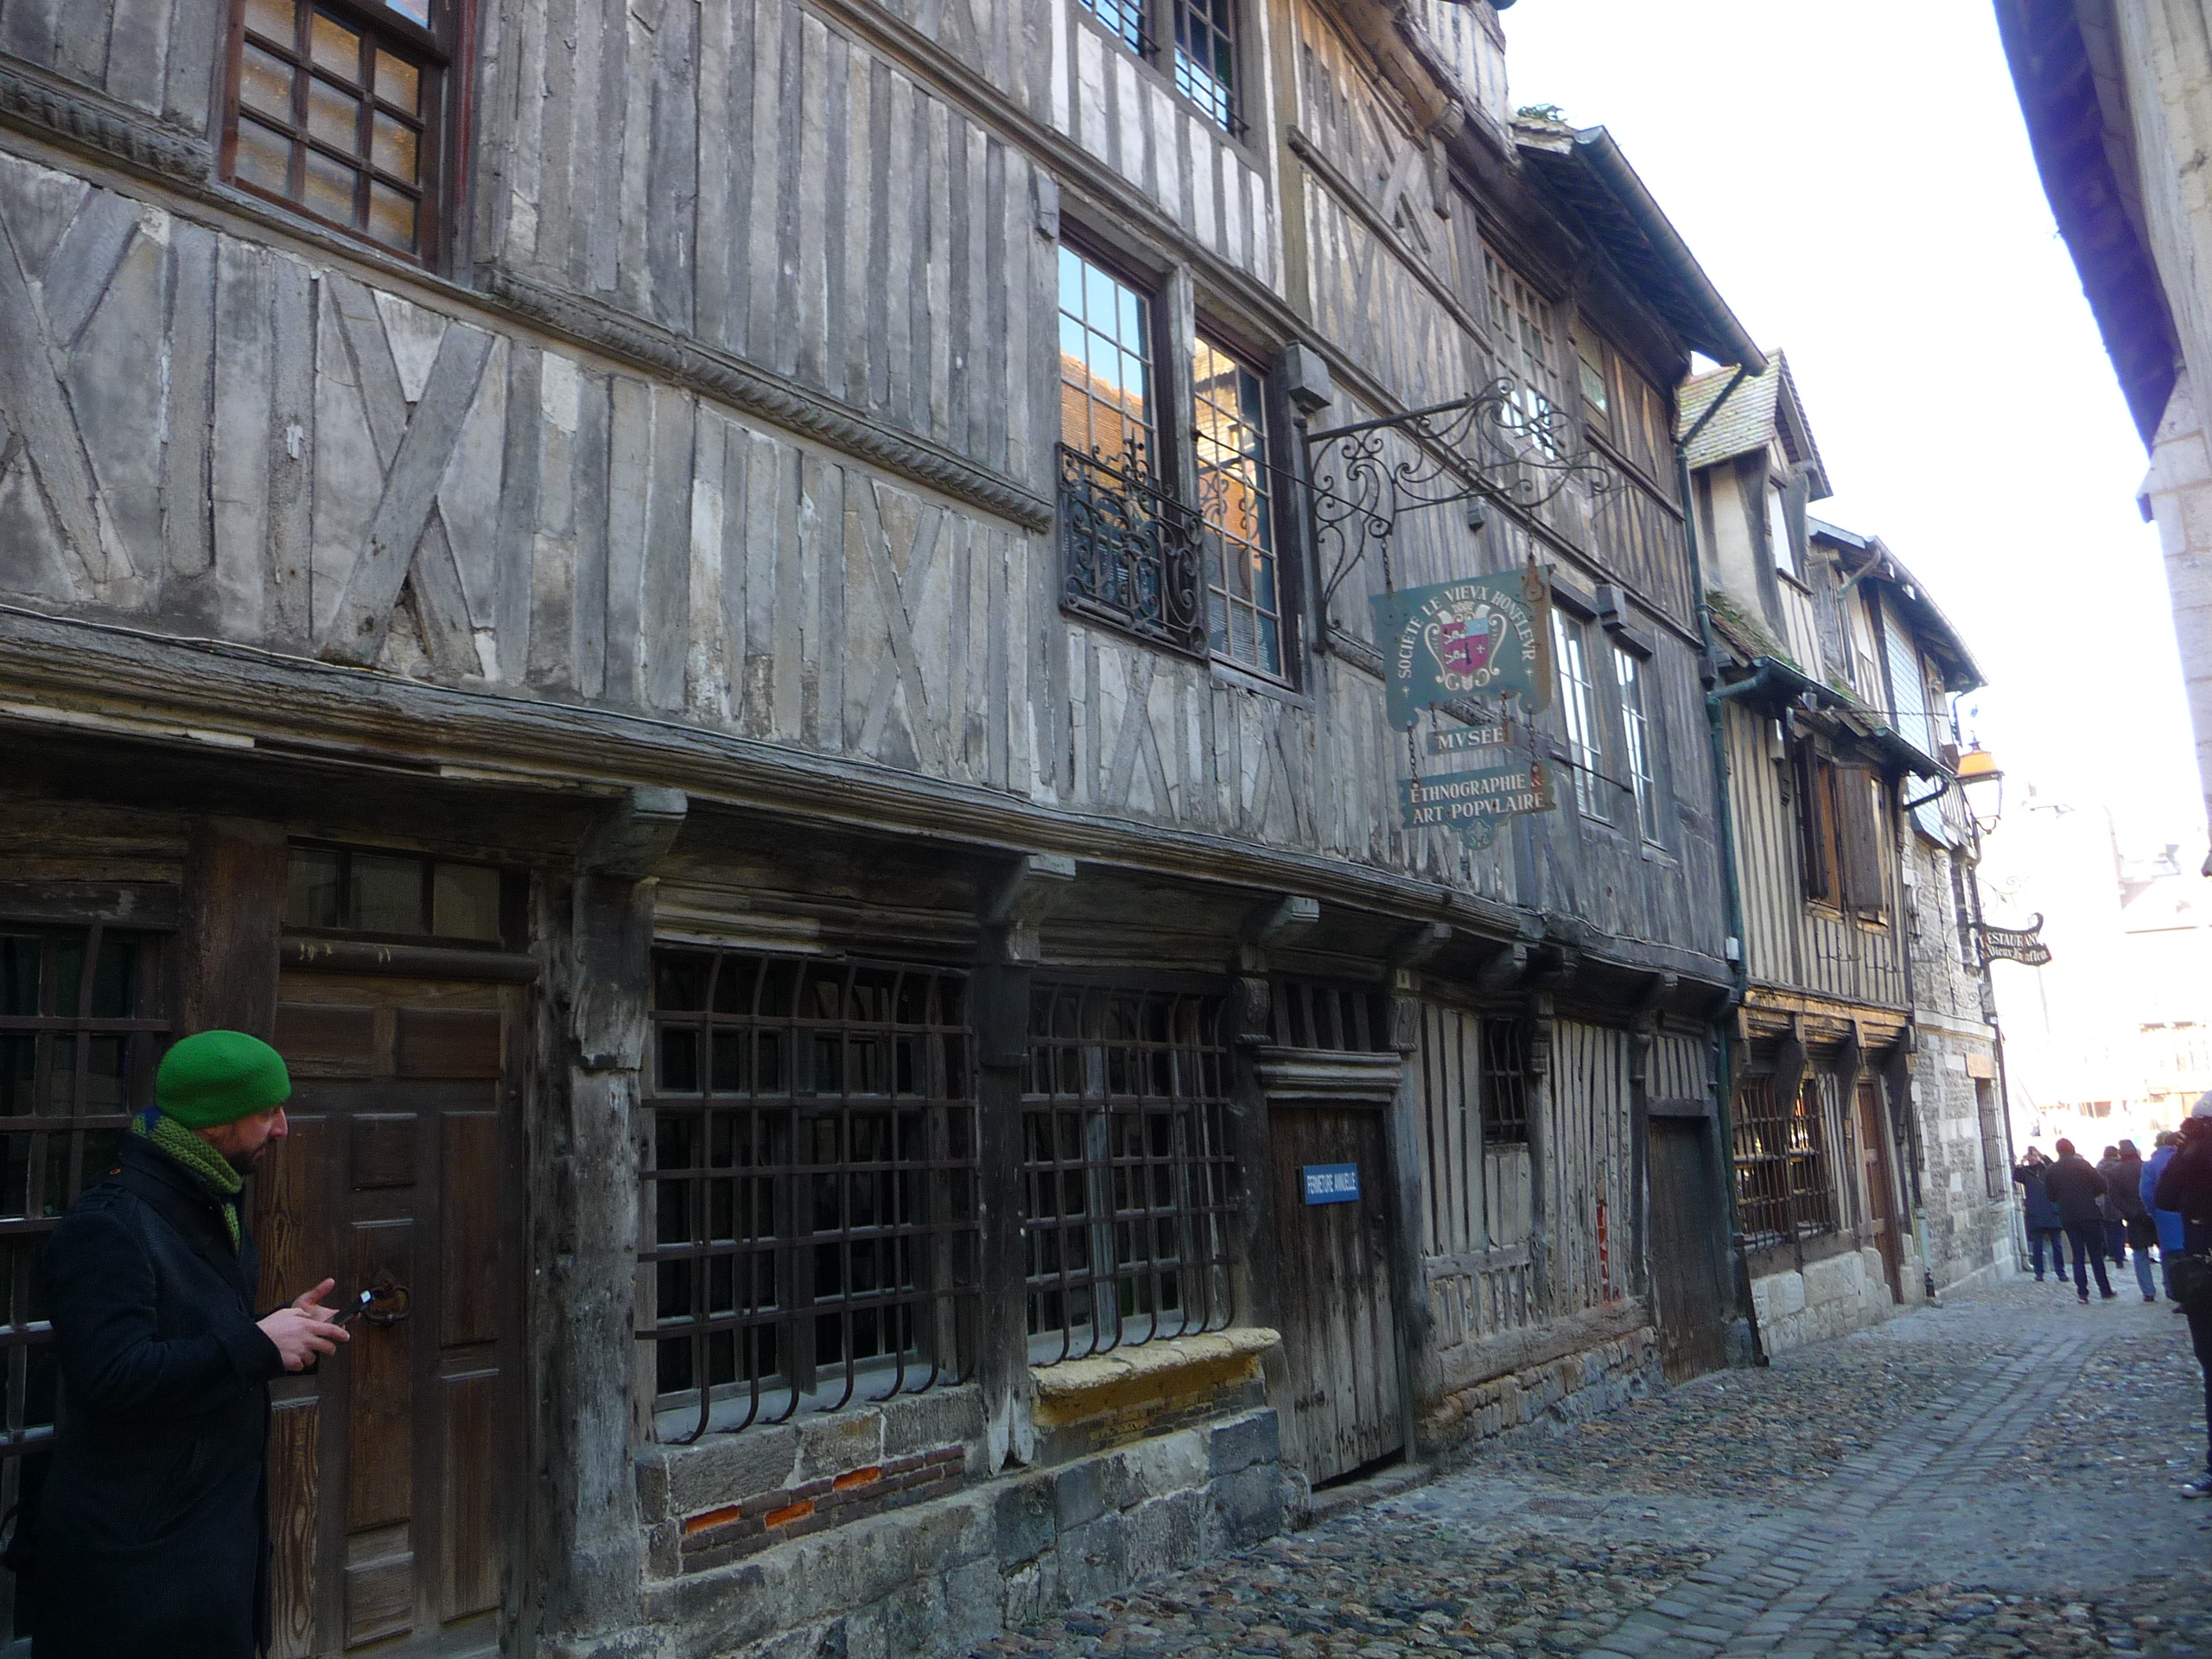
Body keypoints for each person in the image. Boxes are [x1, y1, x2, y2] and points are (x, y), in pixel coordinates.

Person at [28, 1030, 347, 1656]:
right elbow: (112, 1376)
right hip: (137, 1573)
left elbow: (188, 1332)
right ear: (210, 1121)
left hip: (202, 1550)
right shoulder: (110, 1223)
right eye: (266, 1112)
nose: (282, 1128)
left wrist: (280, 1329)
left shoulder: (209, 1199)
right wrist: (255, 1344)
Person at [2152, 1093, 2212, 1499]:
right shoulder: (2192, 1158)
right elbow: (2167, 1198)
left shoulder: (2193, 1154)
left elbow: (2164, 1197)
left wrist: (2190, 1144)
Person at [2042, 1138, 2116, 1303]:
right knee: (2096, 1253)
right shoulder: (2083, 1165)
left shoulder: (2052, 1170)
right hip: (2089, 1213)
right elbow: (2102, 1186)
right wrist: (2089, 1195)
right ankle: (2105, 1289)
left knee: (2078, 1254)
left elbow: (2050, 1195)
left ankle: (2082, 1292)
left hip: (2068, 1215)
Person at [2107, 1139, 2158, 1302]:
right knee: (2164, 1251)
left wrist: (2130, 1213)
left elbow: (2115, 1198)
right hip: (2153, 1214)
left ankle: (2148, 1292)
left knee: (2140, 1254)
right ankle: (2171, 1287)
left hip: (2134, 1218)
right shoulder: (2146, 1166)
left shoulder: (2115, 1172)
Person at [2013, 1147, 2071, 1286]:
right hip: (2035, 1212)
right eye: (2030, 1156)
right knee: (2037, 1246)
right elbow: (2016, 1176)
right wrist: (2021, 1162)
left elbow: (2054, 1166)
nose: (2032, 1158)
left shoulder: (2047, 1170)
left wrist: (2042, 1155)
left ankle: (2061, 1272)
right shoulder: (2026, 1173)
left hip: (2052, 1211)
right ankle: (2039, 1273)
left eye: (2034, 1156)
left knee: (2057, 1244)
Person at [2148, 1129, 2188, 1306]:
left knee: (2170, 1256)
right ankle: (2195, 1289)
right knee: (2191, 1253)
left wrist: (2154, 1211)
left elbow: (2146, 1193)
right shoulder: (2186, 1158)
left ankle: (2174, 1292)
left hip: (2164, 1216)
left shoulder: (2150, 1165)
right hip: (2188, 1215)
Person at [2098, 1144, 2131, 1268]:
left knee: (2108, 1229)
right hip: (2117, 1201)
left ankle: (2111, 1253)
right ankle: (2120, 1254)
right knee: (2119, 1229)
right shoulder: (2119, 1166)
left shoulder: (2099, 1166)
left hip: (2102, 1202)